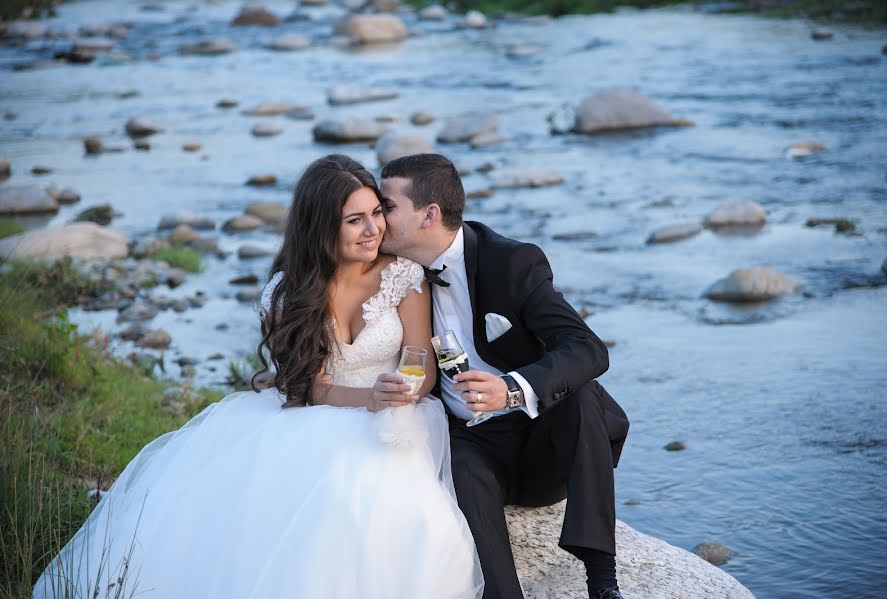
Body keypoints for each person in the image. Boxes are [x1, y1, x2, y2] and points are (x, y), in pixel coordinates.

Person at [34, 155, 483, 599]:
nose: (373, 230)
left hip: (394, 416)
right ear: (322, 227)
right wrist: (367, 398)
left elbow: (420, 364)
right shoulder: (290, 293)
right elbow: (308, 387)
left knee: (379, 501)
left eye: (376, 213)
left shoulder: (404, 276)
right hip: (315, 410)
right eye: (354, 220)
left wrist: (401, 391)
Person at [374, 153, 630, 599]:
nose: (377, 220)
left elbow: (587, 349)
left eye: (387, 207)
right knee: (460, 462)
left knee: (582, 393)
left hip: (539, 444)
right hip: (469, 443)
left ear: (429, 214)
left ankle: (603, 582)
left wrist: (511, 390)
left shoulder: (511, 263)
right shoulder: (387, 270)